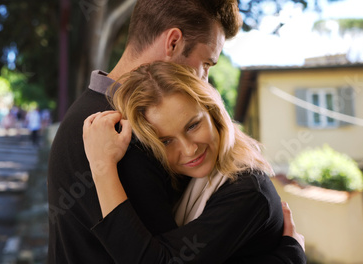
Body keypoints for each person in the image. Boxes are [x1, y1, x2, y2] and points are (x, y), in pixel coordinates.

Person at [47, 0, 305, 262]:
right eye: (206, 63)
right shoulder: (121, 136)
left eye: (193, 125)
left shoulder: (86, 113)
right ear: (173, 43)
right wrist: (288, 256)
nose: (204, 80)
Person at [83, 61, 305, 263]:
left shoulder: (248, 191)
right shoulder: (186, 179)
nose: (189, 149)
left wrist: (102, 166)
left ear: (213, 112)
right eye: (166, 141)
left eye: (193, 126)